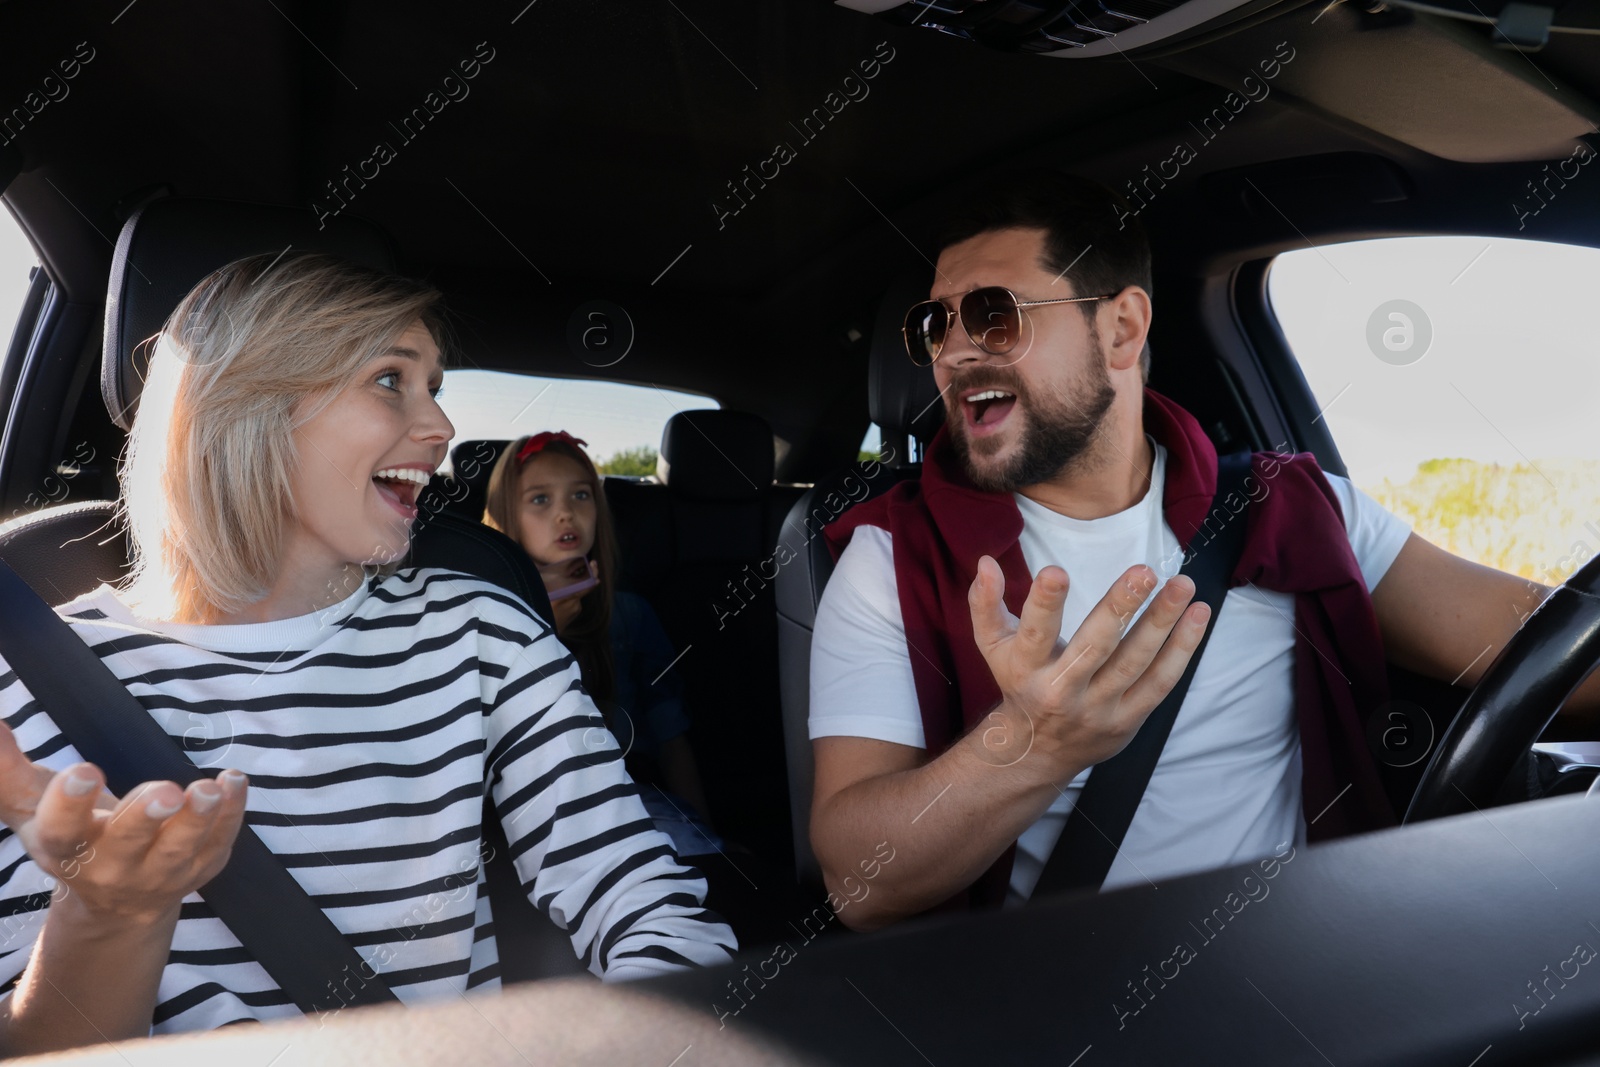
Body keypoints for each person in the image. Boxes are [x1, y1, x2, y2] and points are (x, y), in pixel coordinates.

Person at [806, 169, 1600, 932]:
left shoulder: (1295, 510)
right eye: (934, 324)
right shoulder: (890, 557)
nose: (952, 351)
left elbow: (1557, 653)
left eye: (993, 314)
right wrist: (1035, 747)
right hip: (1060, 1009)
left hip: (1324, 974)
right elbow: (859, 885)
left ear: (1121, 328)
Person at [0, 252, 736, 1055]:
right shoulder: (30, 677)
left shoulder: (481, 631)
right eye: (391, 379)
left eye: (436, 387)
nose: (442, 428)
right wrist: (110, 918)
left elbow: (644, 903)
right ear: (247, 402)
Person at [479, 431, 721, 858]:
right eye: (540, 500)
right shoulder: (485, 616)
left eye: (581, 496)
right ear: (506, 516)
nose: (565, 514)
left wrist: (707, 838)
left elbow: (670, 737)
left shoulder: (629, 614)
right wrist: (543, 635)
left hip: (634, 800)